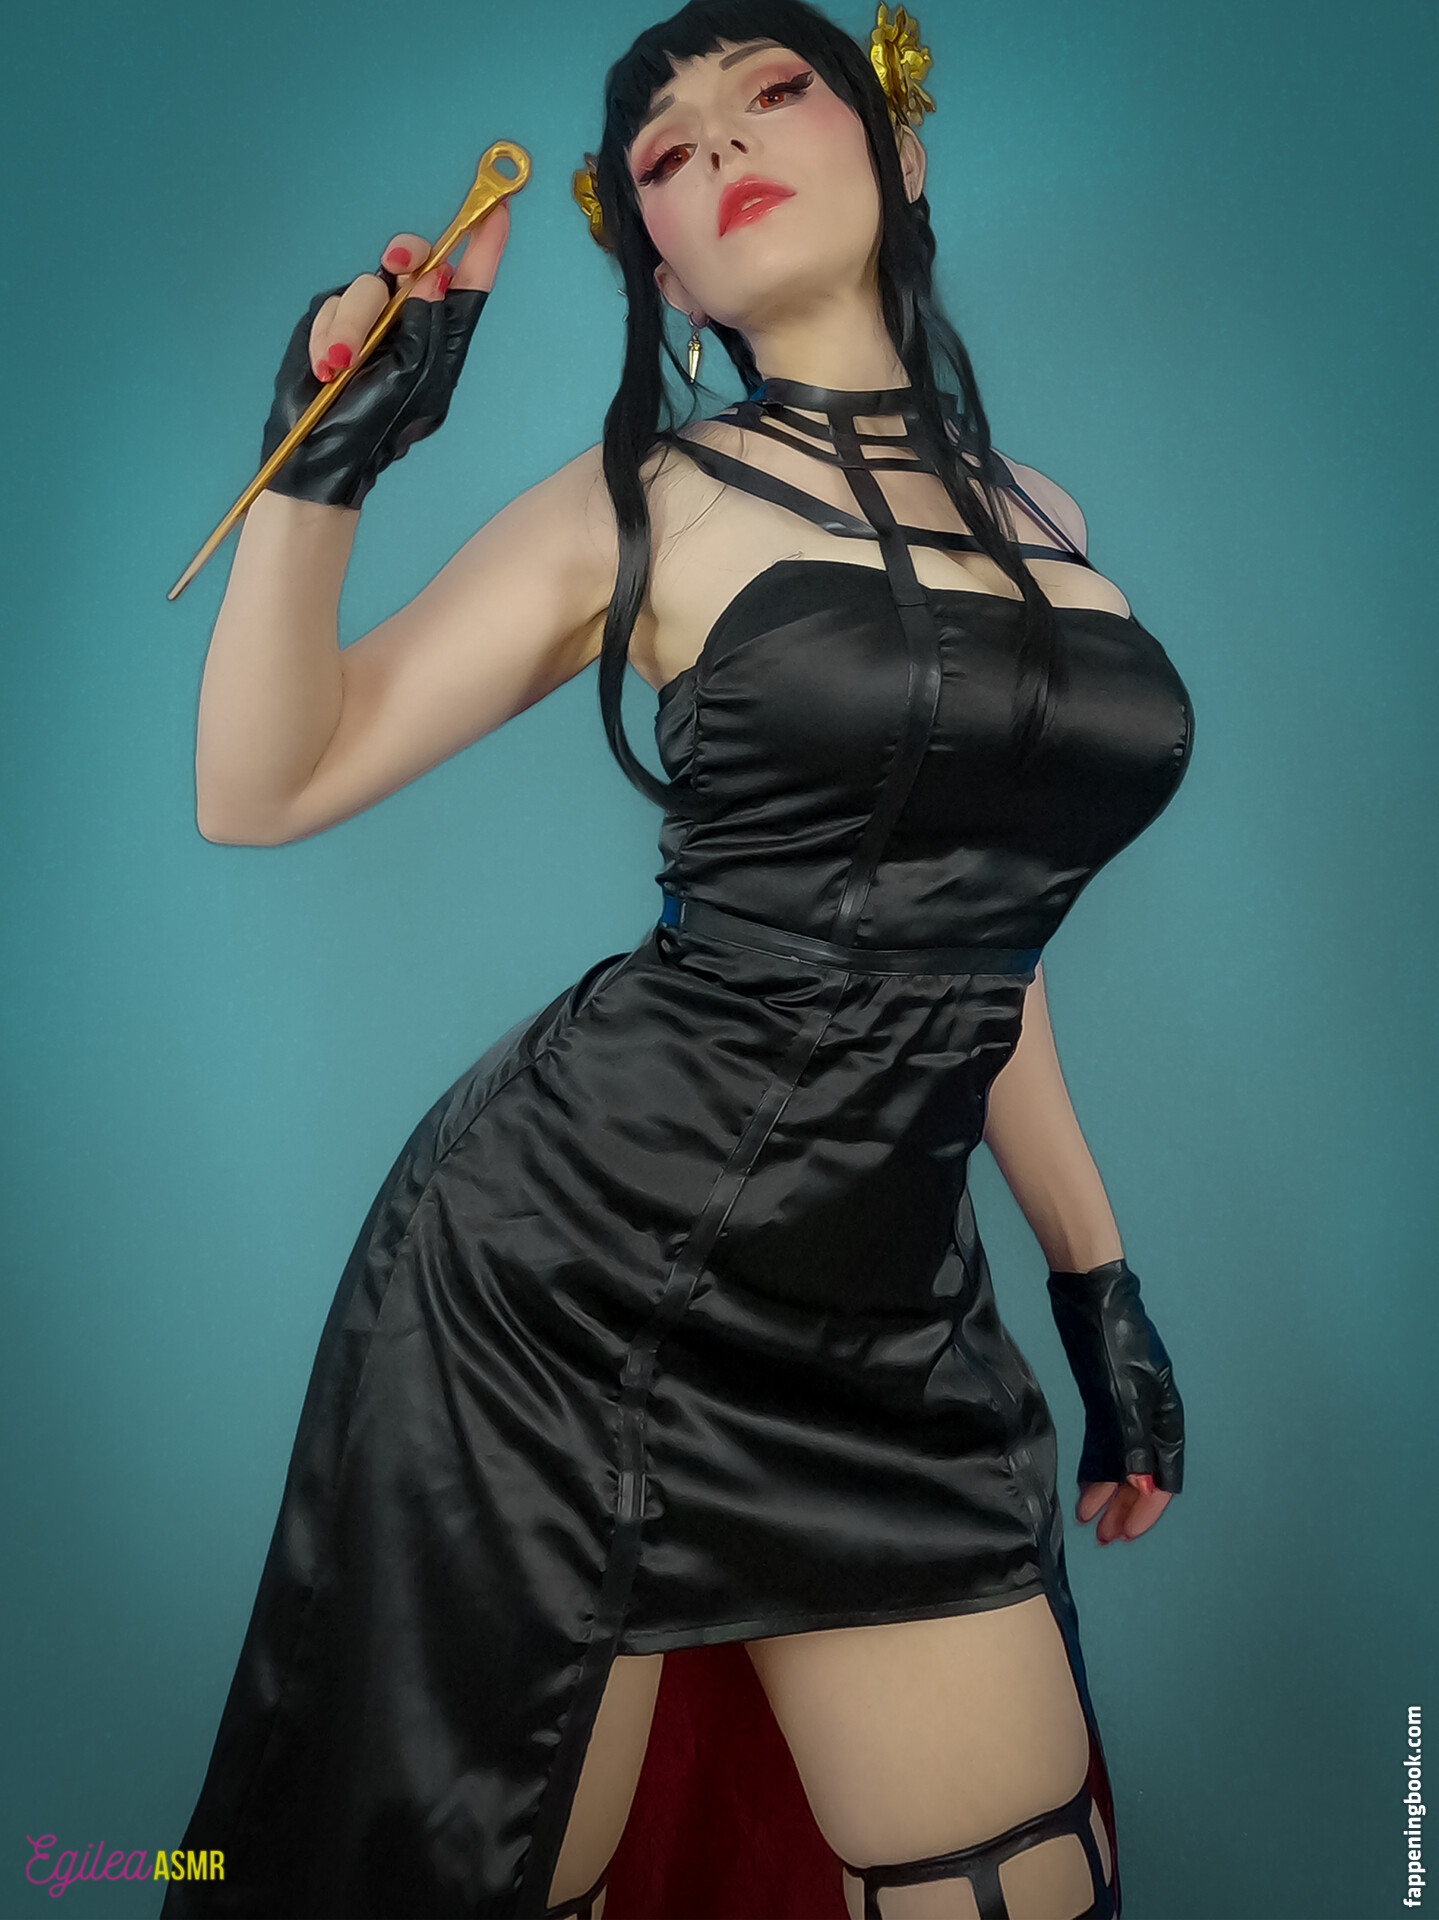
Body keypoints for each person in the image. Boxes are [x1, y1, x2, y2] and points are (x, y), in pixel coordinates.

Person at [165, 2, 1191, 1915]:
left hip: (891, 1334)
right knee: (473, 1876)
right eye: (664, 152)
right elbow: (262, 784)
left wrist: (1097, 1277)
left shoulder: (1051, 528)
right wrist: (326, 461)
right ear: (658, 260)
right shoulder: (647, 501)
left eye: (773, 93)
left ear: (899, 153)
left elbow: (980, 942)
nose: (720, 146)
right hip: (569, 1296)